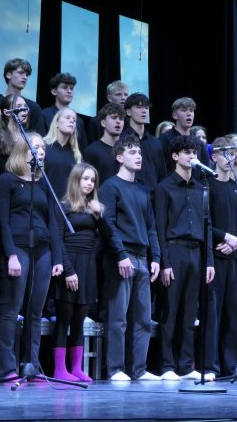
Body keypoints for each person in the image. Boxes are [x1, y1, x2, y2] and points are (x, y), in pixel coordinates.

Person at [0, 133, 64, 380]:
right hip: (19, 246)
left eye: (43, 147)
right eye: (36, 147)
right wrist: (11, 254)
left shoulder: (44, 183)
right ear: (23, 150)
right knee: (11, 309)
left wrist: (58, 258)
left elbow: (53, 223)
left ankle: (31, 364)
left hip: (43, 250)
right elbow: (3, 222)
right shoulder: (7, 181)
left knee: (36, 311)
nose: (41, 151)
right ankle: (6, 367)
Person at [99, 134, 161, 381]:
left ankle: (139, 369)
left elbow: (151, 227)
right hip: (122, 257)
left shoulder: (143, 190)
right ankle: (115, 368)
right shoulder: (110, 186)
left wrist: (156, 257)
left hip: (142, 257)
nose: (138, 156)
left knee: (143, 318)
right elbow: (108, 224)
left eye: (140, 153)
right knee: (118, 317)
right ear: (119, 157)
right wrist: (121, 254)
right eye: (132, 152)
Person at [154, 135, 214, 381]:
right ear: (175, 156)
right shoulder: (164, 187)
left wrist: (209, 261)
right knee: (170, 311)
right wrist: (165, 263)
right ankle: (167, 365)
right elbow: (160, 227)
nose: (191, 156)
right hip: (174, 249)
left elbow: (207, 226)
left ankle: (186, 365)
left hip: (196, 252)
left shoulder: (201, 188)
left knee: (190, 312)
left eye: (194, 152)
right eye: (187, 152)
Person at [51, 162, 110, 382]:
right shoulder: (64, 206)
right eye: (85, 179)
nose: (89, 183)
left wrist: (99, 215)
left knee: (79, 320)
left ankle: (76, 368)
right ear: (76, 180)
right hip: (70, 264)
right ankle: (59, 369)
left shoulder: (95, 209)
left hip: (88, 267)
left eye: (93, 180)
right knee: (64, 319)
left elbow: (107, 236)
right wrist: (68, 270)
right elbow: (57, 240)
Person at [203, 137, 237, 380]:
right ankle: (210, 366)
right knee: (213, 314)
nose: (229, 158)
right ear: (214, 156)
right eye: (224, 153)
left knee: (234, 312)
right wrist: (225, 237)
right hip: (214, 256)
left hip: (234, 256)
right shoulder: (207, 186)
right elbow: (205, 222)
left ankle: (232, 364)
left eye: (232, 153)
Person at [0, 58, 44, 136]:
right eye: (21, 73)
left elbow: (39, 136)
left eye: (27, 74)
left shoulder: (33, 107)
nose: (25, 77)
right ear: (8, 75)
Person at [123, 93, 167, 189]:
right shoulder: (121, 139)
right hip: (128, 193)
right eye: (139, 107)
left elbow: (162, 174)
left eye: (146, 108)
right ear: (128, 112)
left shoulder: (155, 142)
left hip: (153, 194)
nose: (144, 111)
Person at [40, 72, 88, 152]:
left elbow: (82, 150)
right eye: (65, 87)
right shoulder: (44, 114)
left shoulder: (79, 121)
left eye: (71, 88)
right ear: (54, 91)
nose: (69, 91)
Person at [159, 97, 205, 174]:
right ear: (174, 115)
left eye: (191, 110)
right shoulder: (165, 139)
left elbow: (204, 168)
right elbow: (161, 167)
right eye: (184, 110)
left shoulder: (198, 142)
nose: (189, 114)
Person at [42, 108, 81, 198]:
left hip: (67, 203)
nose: (71, 121)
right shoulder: (43, 147)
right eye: (67, 118)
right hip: (44, 200)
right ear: (56, 123)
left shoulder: (76, 155)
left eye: (74, 120)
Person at [82, 102, 125, 183]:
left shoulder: (127, 150)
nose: (118, 121)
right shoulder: (91, 151)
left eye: (121, 119)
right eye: (114, 118)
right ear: (103, 123)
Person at [0, 94, 30, 177]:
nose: (24, 109)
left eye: (25, 106)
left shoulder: (27, 137)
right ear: (6, 112)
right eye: (19, 106)